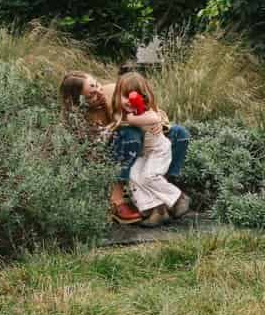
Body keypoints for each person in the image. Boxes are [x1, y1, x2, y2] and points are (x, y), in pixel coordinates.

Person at [61, 69, 191, 225]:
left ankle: (163, 196)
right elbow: (92, 149)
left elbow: (151, 108)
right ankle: (118, 199)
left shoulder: (116, 90)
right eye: (91, 95)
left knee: (179, 133)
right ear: (78, 101)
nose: (99, 92)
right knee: (130, 137)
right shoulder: (79, 117)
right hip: (116, 152)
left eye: (96, 85)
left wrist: (158, 121)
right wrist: (120, 126)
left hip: (149, 142)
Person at [111, 71, 189, 227]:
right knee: (134, 176)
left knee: (148, 176)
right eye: (125, 96)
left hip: (158, 151)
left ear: (143, 98)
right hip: (143, 154)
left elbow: (154, 118)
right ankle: (155, 209)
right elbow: (116, 124)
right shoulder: (119, 114)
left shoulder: (147, 112)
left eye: (135, 97)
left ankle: (178, 198)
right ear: (117, 95)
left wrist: (136, 112)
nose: (129, 101)